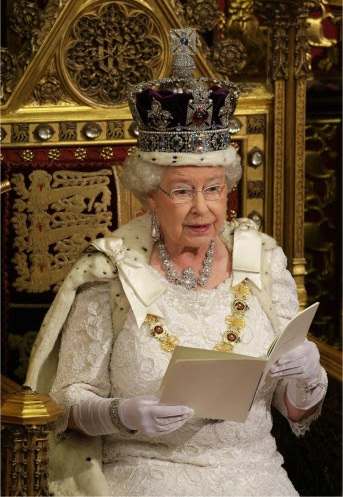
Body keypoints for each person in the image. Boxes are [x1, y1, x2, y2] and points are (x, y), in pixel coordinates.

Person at [25, 29, 327, 497]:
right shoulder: (111, 273)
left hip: (255, 473)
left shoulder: (263, 262)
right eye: (182, 190)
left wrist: (307, 376)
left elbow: (295, 413)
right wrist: (122, 414)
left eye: (213, 189)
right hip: (145, 473)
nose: (203, 208)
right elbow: (68, 400)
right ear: (149, 195)